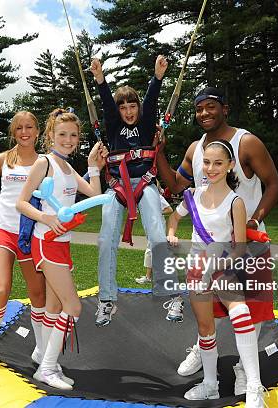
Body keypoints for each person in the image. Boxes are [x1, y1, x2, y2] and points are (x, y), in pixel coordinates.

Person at [156, 87, 278, 399]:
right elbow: (176, 186)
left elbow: (274, 183)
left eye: (211, 107)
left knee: (247, 311)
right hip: (206, 250)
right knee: (206, 309)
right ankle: (203, 352)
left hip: (245, 241)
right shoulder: (195, 149)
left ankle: (245, 371)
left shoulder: (246, 142)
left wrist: (254, 219)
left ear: (225, 108)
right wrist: (158, 152)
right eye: (199, 109)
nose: (204, 114)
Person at [166, 140, 266, 406]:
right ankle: (210, 385)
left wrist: (216, 268)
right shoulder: (193, 196)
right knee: (205, 329)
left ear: (230, 165)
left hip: (223, 267)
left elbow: (239, 248)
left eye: (218, 163)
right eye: (207, 162)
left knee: (241, 313)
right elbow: (174, 219)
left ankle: (255, 387)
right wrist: (171, 234)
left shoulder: (236, 202)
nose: (211, 168)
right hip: (197, 269)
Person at [16, 108, 108, 390]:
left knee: (55, 307)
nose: (68, 139)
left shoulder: (67, 167)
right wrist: (46, 217)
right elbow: (22, 202)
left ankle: (48, 361)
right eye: (62, 134)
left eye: (73, 135)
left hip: (62, 245)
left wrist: (94, 166)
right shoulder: (44, 163)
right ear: (50, 136)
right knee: (74, 306)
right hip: (45, 243)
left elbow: (94, 193)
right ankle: (45, 368)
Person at [89, 55, 180, 325]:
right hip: (117, 187)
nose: (128, 112)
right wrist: (99, 79)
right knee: (106, 240)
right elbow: (105, 103)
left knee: (157, 235)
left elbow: (152, 100)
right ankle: (107, 300)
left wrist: (158, 76)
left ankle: (171, 294)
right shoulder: (114, 125)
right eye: (123, 107)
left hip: (145, 182)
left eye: (133, 106)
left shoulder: (144, 122)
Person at [0, 111, 51, 373]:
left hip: (31, 234)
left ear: (38, 131)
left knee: (38, 294)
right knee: (1, 289)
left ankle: (41, 348)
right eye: (19, 128)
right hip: (4, 231)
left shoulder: (46, 163)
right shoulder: (3, 159)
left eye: (29, 126)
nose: (24, 132)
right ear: (13, 132)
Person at [135, 187, 173, 285]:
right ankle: (150, 277)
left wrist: (155, 213)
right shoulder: (141, 198)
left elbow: (169, 209)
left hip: (157, 226)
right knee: (151, 251)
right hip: (149, 226)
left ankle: (162, 277)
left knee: (155, 251)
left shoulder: (157, 197)